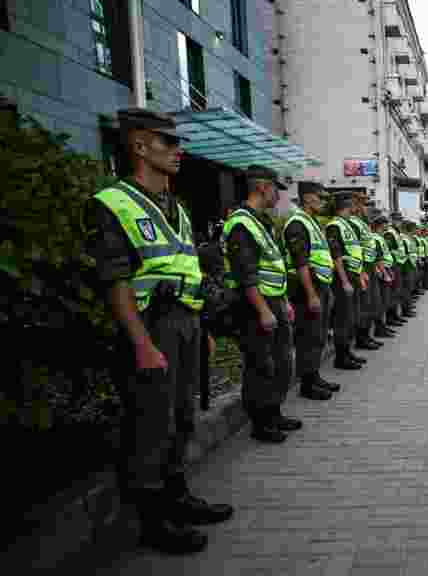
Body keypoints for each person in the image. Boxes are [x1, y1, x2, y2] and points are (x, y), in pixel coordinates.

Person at [83, 107, 232, 554]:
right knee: (152, 424)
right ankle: (152, 520)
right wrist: (142, 344)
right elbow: (117, 281)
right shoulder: (114, 203)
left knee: (182, 418)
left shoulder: (177, 208)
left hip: (184, 323)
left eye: (177, 142)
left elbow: (184, 271)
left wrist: (199, 324)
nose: (177, 150)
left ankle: (177, 496)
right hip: (151, 327)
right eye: (167, 142)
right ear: (139, 145)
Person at [223, 166, 300, 444]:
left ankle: (274, 412)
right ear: (262, 188)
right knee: (261, 364)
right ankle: (260, 422)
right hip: (256, 305)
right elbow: (246, 272)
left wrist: (283, 302)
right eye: (276, 188)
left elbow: (273, 265)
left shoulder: (260, 221)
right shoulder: (241, 222)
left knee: (280, 361)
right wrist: (263, 309)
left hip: (273, 300)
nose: (279, 194)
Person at [283, 183, 337, 400]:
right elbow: (300, 262)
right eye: (320, 198)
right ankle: (307, 383)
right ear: (307, 198)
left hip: (320, 285)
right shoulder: (297, 223)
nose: (323, 202)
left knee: (318, 335)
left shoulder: (311, 222)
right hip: (306, 288)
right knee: (308, 336)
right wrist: (312, 293)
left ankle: (314, 376)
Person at [323, 190, 365, 371]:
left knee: (350, 317)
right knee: (342, 318)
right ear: (347, 205)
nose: (357, 206)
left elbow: (355, 251)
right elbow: (336, 254)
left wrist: (360, 273)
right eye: (354, 203)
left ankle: (347, 352)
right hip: (344, 276)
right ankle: (340, 356)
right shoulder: (334, 225)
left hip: (352, 274)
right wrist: (345, 280)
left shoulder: (346, 224)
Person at [348, 193, 382, 351]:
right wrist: (361, 270)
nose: (365, 207)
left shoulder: (362, 222)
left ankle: (366, 335)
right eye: (362, 203)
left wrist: (374, 265)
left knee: (370, 303)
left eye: (365, 204)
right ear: (354, 204)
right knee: (363, 304)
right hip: (360, 268)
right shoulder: (353, 223)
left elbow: (368, 246)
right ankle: (361, 338)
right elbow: (355, 249)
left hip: (368, 265)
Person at [368, 211, 397, 340]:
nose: (387, 227)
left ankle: (382, 326)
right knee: (380, 302)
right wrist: (384, 273)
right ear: (380, 225)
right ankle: (379, 328)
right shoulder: (375, 237)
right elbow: (377, 257)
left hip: (385, 268)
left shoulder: (380, 237)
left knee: (384, 301)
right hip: (381, 272)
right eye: (385, 224)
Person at [383, 213, 409, 328]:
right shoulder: (390, 232)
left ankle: (394, 315)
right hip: (393, 264)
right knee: (393, 292)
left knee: (397, 291)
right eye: (397, 220)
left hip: (399, 263)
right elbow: (389, 250)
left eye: (400, 220)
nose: (399, 222)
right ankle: (390, 317)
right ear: (392, 220)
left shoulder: (397, 232)